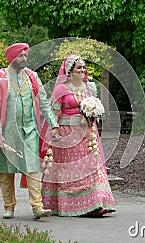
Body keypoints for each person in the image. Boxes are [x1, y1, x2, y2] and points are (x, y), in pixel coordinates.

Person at [0, 42, 60, 220]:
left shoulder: (33, 77)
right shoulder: (0, 79)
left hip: (29, 131)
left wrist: (54, 124)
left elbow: (43, 102)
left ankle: (37, 207)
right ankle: (9, 207)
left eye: (25, 55)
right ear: (12, 57)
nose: (24, 59)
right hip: (7, 132)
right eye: (20, 56)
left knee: (33, 168)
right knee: (6, 170)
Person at [41, 54, 116, 217]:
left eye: (84, 67)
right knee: (71, 170)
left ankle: (95, 203)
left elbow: (91, 107)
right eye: (79, 67)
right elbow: (53, 113)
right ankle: (70, 204)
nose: (83, 70)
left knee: (90, 167)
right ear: (69, 71)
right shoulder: (61, 89)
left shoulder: (88, 88)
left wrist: (93, 113)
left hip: (87, 135)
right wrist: (54, 129)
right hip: (67, 134)